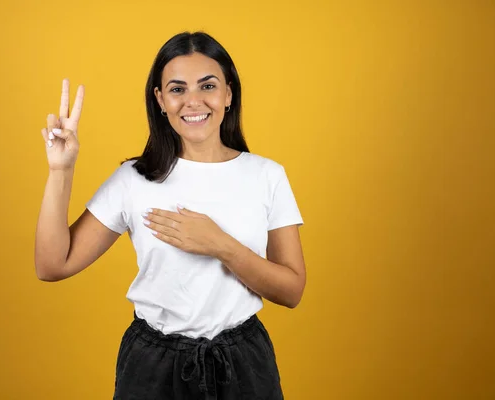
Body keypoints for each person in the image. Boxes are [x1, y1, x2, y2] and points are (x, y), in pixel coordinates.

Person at [34, 31, 306, 400]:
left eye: (207, 86)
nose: (193, 101)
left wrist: (222, 246)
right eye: (177, 89)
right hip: (153, 367)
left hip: (243, 364)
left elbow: (291, 291)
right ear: (160, 100)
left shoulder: (266, 175)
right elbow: (52, 265)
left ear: (228, 93)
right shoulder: (133, 178)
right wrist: (60, 171)